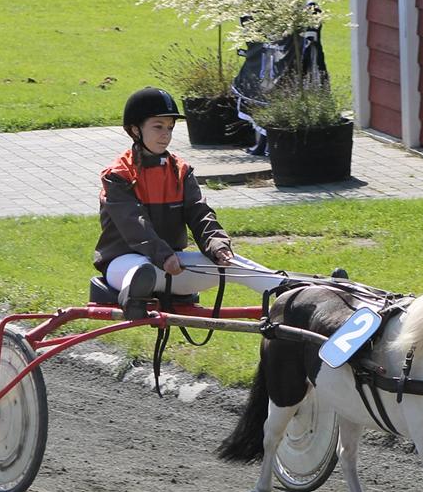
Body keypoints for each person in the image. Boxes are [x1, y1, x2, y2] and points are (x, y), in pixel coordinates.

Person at [94, 86, 284, 318]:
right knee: (142, 270)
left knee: (234, 264)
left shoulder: (180, 171)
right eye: (158, 126)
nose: (166, 134)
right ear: (135, 130)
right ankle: (132, 298)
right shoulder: (118, 175)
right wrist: (163, 256)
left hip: (171, 264)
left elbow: (200, 214)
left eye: (170, 128)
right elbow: (135, 225)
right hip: (123, 263)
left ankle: (295, 293)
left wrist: (217, 245)